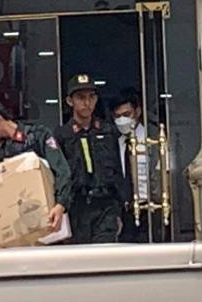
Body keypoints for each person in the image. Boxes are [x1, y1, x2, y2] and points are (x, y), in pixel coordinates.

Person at [0, 97, 72, 243]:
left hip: (46, 225)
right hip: (10, 236)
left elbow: (62, 171)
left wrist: (60, 205)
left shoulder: (37, 136)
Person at [56, 74, 130, 244]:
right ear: (70, 101)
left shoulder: (107, 131)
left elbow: (118, 171)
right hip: (77, 207)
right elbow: (59, 175)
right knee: (79, 256)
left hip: (106, 204)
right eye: (81, 98)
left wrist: (120, 208)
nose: (87, 103)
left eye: (91, 97)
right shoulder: (63, 134)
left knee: (105, 252)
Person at [113, 86, 161, 244]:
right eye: (118, 116)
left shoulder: (153, 140)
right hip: (125, 212)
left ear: (137, 112)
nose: (122, 120)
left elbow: (162, 175)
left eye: (126, 114)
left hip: (150, 208)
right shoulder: (115, 143)